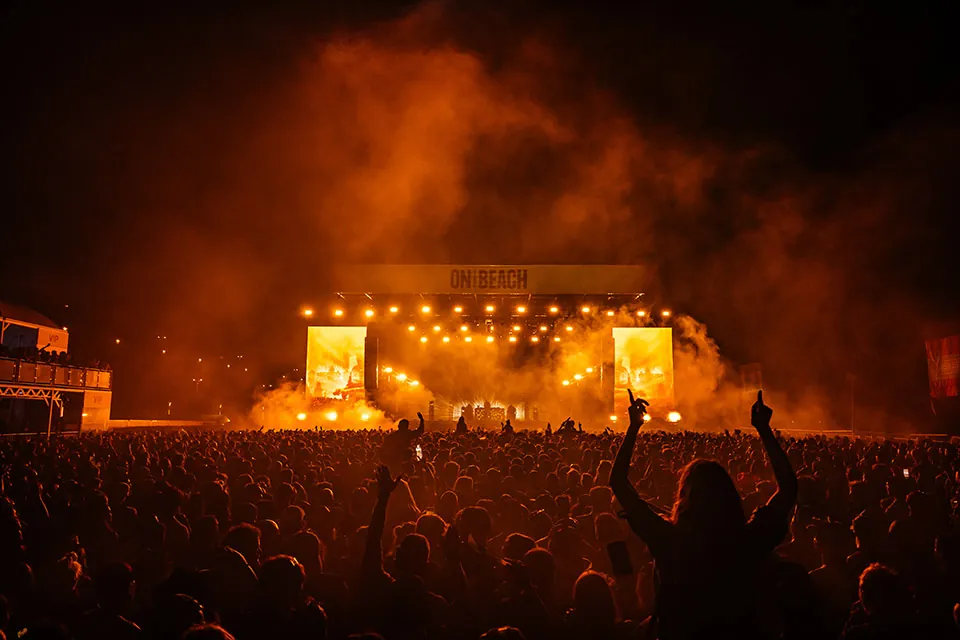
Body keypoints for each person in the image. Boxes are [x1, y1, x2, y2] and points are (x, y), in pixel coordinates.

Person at [609, 390, 798, 640]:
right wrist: (763, 429)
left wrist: (634, 427)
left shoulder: (669, 541)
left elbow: (619, 483)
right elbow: (788, 488)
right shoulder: (747, 542)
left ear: (685, 498)